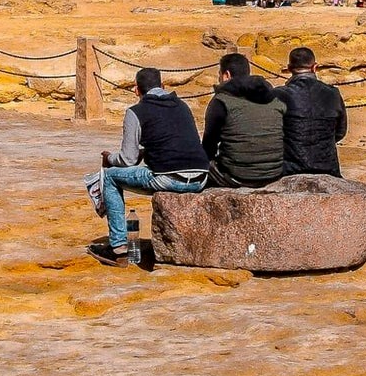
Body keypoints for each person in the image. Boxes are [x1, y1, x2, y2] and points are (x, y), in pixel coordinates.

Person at [88, 66, 209, 266]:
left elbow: (127, 159)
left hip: (170, 177)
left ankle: (118, 247)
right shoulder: (182, 106)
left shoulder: (136, 112)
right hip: (201, 177)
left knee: (109, 176)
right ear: (163, 86)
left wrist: (109, 159)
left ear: (136, 90)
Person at [201, 53, 286, 188]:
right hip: (274, 173)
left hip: (238, 176)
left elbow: (209, 145)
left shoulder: (222, 101)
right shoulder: (273, 97)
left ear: (226, 75)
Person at [276, 46, 347, 176]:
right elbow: (340, 132)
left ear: (289, 68)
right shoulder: (333, 93)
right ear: (315, 67)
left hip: (289, 168)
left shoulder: (279, 94)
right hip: (327, 167)